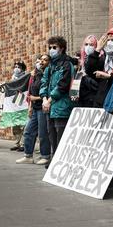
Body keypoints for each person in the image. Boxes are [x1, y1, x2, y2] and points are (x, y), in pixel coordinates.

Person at [85, 25, 113, 187]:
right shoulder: (104, 56)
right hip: (100, 100)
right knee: (99, 140)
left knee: (111, 141)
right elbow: (89, 69)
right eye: (109, 39)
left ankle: (112, 177)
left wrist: (107, 76)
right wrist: (97, 49)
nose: (110, 42)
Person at [40, 36, 75, 164]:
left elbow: (63, 85)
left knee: (61, 135)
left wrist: (49, 100)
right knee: (51, 135)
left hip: (62, 106)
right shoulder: (50, 66)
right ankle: (54, 159)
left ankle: (60, 161)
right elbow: (44, 82)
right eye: (50, 48)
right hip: (49, 106)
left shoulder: (67, 64)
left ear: (62, 48)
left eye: (55, 47)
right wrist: (44, 98)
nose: (51, 50)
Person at [16, 55, 51, 165]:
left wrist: (35, 99)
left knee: (42, 133)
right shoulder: (35, 75)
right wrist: (30, 106)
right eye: (39, 61)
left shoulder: (48, 75)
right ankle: (28, 156)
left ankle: (45, 155)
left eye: (44, 60)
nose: (40, 62)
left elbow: (48, 93)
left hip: (42, 108)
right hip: (35, 108)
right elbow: (31, 91)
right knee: (28, 131)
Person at [73, 35, 99, 108]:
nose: (88, 47)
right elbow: (76, 82)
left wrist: (85, 76)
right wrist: (74, 93)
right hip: (81, 101)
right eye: (86, 44)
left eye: (91, 44)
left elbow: (97, 85)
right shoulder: (82, 64)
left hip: (92, 101)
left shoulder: (99, 59)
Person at [9, 61, 28, 151]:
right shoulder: (13, 78)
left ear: (23, 69)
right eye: (15, 66)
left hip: (23, 103)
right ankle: (16, 143)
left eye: (19, 67)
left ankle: (23, 144)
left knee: (23, 125)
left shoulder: (26, 77)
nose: (16, 68)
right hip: (15, 104)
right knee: (15, 125)